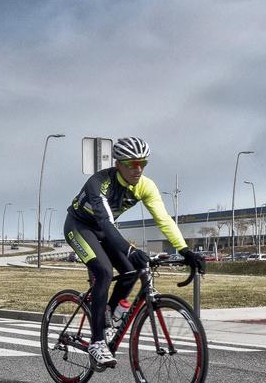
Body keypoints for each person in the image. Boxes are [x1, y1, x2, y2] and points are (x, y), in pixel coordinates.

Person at [64, 137, 206, 367]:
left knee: (131, 271)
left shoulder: (145, 186)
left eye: (143, 163)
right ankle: (97, 340)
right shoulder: (99, 183)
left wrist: (185, 250)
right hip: (79, 227)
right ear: (118, 163)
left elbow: (163, 219)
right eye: (132, 163)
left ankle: (108, 312)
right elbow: (106, 222)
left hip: (103, 230)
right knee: (104, 272)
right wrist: (130, 249)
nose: (138, 169)